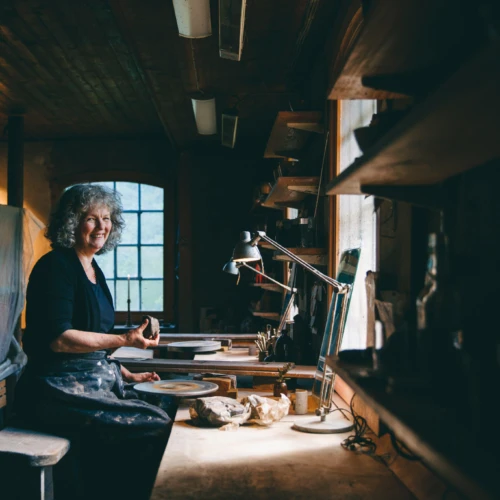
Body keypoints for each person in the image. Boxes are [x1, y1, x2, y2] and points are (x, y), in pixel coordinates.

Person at [15, 184, 172, 500]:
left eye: (107, 218)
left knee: (167, 403)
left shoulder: (93, 268)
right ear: (72, 223)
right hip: (55, 390)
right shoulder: (55, 267)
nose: (102, 227)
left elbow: (94, 346)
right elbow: (60, 340)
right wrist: (125, 338)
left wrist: (126, 374)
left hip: (91, 382)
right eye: (91, 218)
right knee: (156, 424)